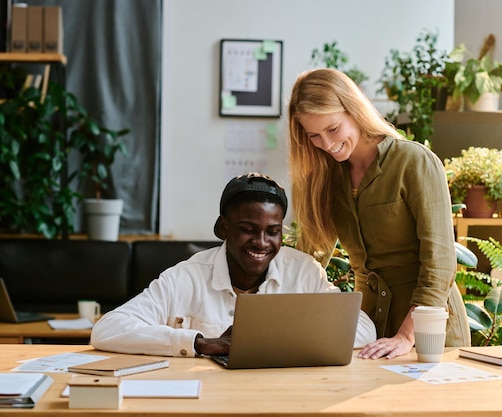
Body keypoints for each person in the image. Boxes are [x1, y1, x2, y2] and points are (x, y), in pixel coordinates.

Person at [287, 68, 470, 360]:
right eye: (314, 135)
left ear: (354, 111)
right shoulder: (325, 179)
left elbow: (440, 261)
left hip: (430, 332)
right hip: (368, 328)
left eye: (332, 129)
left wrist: (407, 335)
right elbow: (311, 257)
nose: (326, 143)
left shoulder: (413, 162)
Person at [91, 172, 376, 357]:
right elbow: (107, 329)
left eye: (272, 230)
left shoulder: (303, 272)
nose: (261, 242)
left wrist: (279, 338)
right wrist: (199, 343)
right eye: (248, 229)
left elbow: (364, 330)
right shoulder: (185, 277)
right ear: (223, 228)